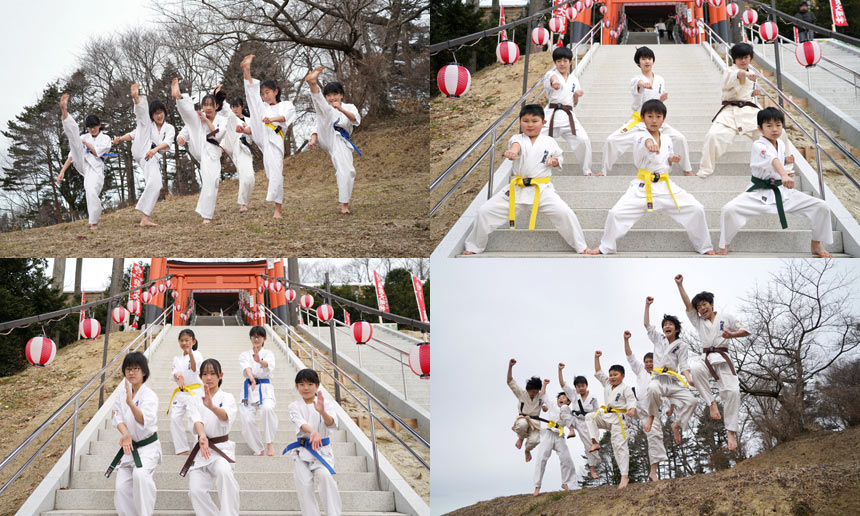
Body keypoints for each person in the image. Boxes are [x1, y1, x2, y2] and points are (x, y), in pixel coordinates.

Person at [589, 99, 714, 255]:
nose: (654, 120)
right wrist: (649, 143)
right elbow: (644, 141)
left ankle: (705, 247)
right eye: (650, 116)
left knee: (696, 209)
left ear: (664, 119)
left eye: (658, 116)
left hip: (665, 185)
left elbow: (664, 161)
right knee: (615, 214)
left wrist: (671, 159)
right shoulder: (639, 135)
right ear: (642, 118)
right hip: (642, 187)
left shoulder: (667, 139)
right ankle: (605, 247)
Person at [462, 104, 590, 255]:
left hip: (542, 190)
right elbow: (516, 147)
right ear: (520, 122)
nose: (530, 125)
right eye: (525, 120)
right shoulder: (517, 139)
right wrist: (512, 153)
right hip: (518, 189)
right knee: (484, 211)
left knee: (565, 213)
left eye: (534, 121)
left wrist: (554, 161)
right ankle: (474, 246)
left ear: (543, 123)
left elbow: (559, 156)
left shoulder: (549, 141)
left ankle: (581, 247)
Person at [718, 107, 832, 257]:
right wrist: (784, 174)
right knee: (729, 209)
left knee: (821, 206)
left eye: (778, 125)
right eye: (769, 125)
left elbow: (774, 159)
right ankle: (724, 245)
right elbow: (772, 159)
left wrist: (785, 161)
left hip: (782, 192)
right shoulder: (758, 145)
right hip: (758, 192)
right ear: (760, 128)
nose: (774, 129)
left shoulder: (781, 144)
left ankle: (816, 244)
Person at [675, 274, 749, 451]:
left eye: (704, 305)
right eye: (699, 307)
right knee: (695, 369)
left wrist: (732, 335)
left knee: (732, 392)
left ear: (711, 304)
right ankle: (711, 403)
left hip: (723, 359)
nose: (702, 308)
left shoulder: (727, 317)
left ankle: (731, 431)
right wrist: (680, 285)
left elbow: (746, 330)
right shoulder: (698, 322)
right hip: (706, 358)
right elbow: (687, 305)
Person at [696, 43, 784, 178]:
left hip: (750, 112)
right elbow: (738, 75)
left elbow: (744, 91)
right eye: (739, 58)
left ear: (750, 58)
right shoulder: (730, 71)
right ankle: (705, 170)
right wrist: (746, 74)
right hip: (729, 112)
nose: (743, 60)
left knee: (779, 133)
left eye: (746, 57)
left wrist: (754, 93)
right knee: (713, 136)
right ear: (734, 59)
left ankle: (784, 168)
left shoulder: (751, 74)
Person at [601, 47, 692, 176]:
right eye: (643, 59)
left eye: (649, 58)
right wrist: (643, 84)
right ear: (638, 62)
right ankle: (603, 170)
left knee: (680, 138)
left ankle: (687, 170)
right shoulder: (636, 78)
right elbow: (638, 83)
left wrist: (661, 99)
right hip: (640, 121)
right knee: (611, 140)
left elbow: (655, 101)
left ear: (653, 60)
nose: (647, 61)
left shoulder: (660, 79)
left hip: (656, 120)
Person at [240, 54, 297, 219]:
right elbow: (254, 123)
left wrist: (271, 118)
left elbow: (285, 118)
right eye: (263, 93)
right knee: (253, 101)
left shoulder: (285, 105)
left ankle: (277, 209)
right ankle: (247, 70)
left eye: (267, 92)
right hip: (261, 134)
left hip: (274, 139)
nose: (265, 96)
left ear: (275, 91)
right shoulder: (262, 105)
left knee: (275, 173)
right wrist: (244, 129)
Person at [181, 358, 240, 516]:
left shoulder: (227, 397)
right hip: (201, 449)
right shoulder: (193, 397)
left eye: (213, 373)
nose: (209, 377)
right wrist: (202, 436)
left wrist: (212, 406)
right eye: (205, 374)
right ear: (200, 376)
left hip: (221, 449)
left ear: (220, 375)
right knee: (195, 491)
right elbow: (196, 419)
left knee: (224, 472)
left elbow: (225, 417)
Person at [106, 352, 161, 516]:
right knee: (121, 487)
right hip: (129, 447)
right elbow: (117, 417)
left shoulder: (150, 395)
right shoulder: (121, 394)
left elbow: (144, 420)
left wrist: (131, 404)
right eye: (128, 369)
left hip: (147, 446)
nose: (131, 372)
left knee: (140, 475)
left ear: (144, 372)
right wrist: (125, 434)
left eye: (136, 368)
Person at [113, 83, 174, 227]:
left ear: (164, 112)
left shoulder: (169, 128)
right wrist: (121, 138)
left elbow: (167, 143)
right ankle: (136, 99)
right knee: (143, 123)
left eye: (161, 112)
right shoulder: (148, 125)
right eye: (156, 113)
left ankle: (145, 218)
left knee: (156, 183)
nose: (159, 116)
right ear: (152, 115)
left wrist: (154, 150)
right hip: (143, 149)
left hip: (150, 155)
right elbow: (133, 134)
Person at [304, 66, 362, 214]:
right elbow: (316, 127)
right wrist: (312, 140)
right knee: (324, 109)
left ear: (341, 95)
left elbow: (355, 119)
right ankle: (312, 84)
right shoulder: (326, 107)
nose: (331, 98)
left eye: (334, 94)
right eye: (328, 95)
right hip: (326, 135)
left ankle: (345, 204)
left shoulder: (350, 107)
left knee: (348, 171)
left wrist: (341, 109)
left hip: (340, 140)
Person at [286, 368, 342, 516]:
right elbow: (300, 423)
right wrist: (313, 432)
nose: (306, 388)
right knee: (304, 486)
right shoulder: (294, 406)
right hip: (302, 451)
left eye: (310, 384)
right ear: (297, 386)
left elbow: (331, 423)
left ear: (317, 385)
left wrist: (322, 411)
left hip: (322, 451)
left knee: (325, 478)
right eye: (302, 384)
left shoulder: (327, 403)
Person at [642, 296, 697, 446]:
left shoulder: (682, 345)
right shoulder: (658, 339)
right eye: (665, 325)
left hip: (673, 382)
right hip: (658, 379)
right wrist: (647, 306)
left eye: (670, 324)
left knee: (692, 401)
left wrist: (689, 379)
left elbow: (684, 365)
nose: (667, 326)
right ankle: (651, 416)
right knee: (652, 389)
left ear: (676, 329)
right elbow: (646, 324)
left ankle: (677, 424)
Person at [171, 78, 227, 223]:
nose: (207, 107)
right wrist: (181, 138)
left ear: (216, 106)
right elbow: (186, 129)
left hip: (212, 150)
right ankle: (179, 97)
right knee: (191, 118)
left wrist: (206, 120)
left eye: (211, 105)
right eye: (205, 105)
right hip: (198, 145)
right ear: (202, 106)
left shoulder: (222, 119)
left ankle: (205, 212)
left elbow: (218, 134)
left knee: (212, 181)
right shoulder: (198, 117)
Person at [57, 93, 111, 231]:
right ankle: (64, 111)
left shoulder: (106, 139)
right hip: (83, 164)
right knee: (74, 138)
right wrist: (62, 171)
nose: (92, 129)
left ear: (99, 125)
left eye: (94, 126)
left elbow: (96, 152)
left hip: (96, 169)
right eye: (89, 127)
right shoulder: (84, 136)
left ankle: (94, 222)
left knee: (91, 191)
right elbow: (71, 156)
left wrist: (85, 143)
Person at [585, 350, 637, 489]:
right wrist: (596, 357)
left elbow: (632, 401)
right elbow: (598, 371)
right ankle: (595, 442)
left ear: (622, 376)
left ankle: (624, 476)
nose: (612, 377)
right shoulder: (607, 384)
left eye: (615, 375)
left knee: (619, 447)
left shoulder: (625, 388)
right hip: (607, 416)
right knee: (590, 417)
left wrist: (631, 410)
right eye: (611, 375)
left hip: (620, 419)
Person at [539, 46, 593, 176]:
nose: (562, 64)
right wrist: (555, 83)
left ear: (570, 61)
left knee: (584, 140)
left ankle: (587, 170)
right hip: (551, 114)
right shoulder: (550, 74)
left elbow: (574, 103)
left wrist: (576, 96)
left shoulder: (574, 79)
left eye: (565, 61)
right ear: (555, 63)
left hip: (568, 116)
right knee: (537, 139)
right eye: (558, 61)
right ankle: (535, 169)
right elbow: (553, 80)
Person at [622, 330, 667, 482]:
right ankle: (624, 422)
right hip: (636, 406)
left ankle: (652, 471)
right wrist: (626, 340)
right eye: (646, 362)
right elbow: (630, 357)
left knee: (655, 437)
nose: (648, 364)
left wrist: (673, 407)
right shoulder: (640, 371)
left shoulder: (661, 374)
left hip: (651, 412)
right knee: (621, 403)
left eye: (651, 361)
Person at [239, 325, 278, 456]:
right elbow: (246, 367)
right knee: (247, 418)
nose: (256, 339)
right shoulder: (244, 354)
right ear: (250, 338)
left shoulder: (268, 353)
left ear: (264, 338)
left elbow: (269, 365)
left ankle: (270, 444)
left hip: (265, 388)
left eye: (259, 336)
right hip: (249, 388)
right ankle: (258, 448)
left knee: (267, 409)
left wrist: (260, 361)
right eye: (253, 336)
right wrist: (251, 378)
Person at [557, 365, 599, 479]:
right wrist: (560, 370)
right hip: (574, 420)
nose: (581, 388)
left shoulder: (593, 398)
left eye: (582, 386)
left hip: (587, 422)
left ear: (586, 385)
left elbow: (597, 412)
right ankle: (571, 430)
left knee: (589, 446)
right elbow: (562, 384)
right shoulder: (574, 395)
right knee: (564, 408)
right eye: (578, 386)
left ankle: (592, 470)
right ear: (575, 387)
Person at [168, 329, 204, 456]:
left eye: (187, 340)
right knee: (174, 418)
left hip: (194, 391)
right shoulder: (177, 358)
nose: (184, 342)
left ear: (193, 341)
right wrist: (178, 376)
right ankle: (182, 448)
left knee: (193, 420)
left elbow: (195, 369)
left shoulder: (197, 354)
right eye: (182, 340)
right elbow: (173, 372)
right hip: (181, 392)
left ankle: (197, 447)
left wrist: (191, 354)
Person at [532, 392, 576, 495]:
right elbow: (543, 394)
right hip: (548, 433)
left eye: (564, 397)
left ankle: (566, 483)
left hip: (560, 435)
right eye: (559, 398)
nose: (561, 399)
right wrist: (545, 384)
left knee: (566, 459)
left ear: (568, 401)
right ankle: (537, 486)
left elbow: (570, 420)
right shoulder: (552, 407)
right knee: (541, 458)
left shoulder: (568, 411)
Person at [219, 94, 256, 212]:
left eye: (237, 106)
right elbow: (224, 131)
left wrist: (246, 129)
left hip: (244, 148)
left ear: (242, 107)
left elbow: (254, 136)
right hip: (231, 144)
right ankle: (220, 97)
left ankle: (243, 203)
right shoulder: (229, 117)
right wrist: (222, 145)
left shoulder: (250, 120)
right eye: (233, 106)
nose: (235, 109)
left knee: (248, 177)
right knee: (230, 117)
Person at [507, 358, 549, 462]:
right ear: (527, 389)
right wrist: (510, 366)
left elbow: (545, 403)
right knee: (522, 425)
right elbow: (510, 381)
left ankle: (527, 450)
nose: (533, 393)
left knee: (535, 441)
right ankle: (521, 438)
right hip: (523, 419)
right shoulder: (522, 393)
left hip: (535, 423)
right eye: (531, 391)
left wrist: (544, 407)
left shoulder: (540, 396)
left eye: (535, 391)